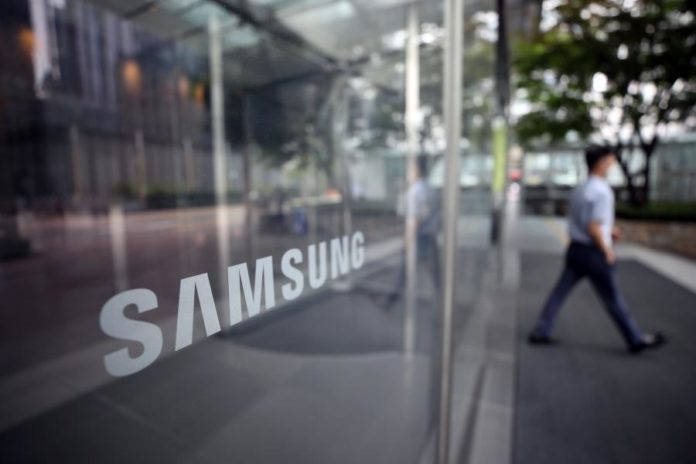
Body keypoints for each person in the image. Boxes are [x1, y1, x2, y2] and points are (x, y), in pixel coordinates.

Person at [528, 145, 667, 354]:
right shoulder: (602, 191)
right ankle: (635, 338)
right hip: (593, 252)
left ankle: (541, 330)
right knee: (613, 298)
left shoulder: (580, 189)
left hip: (576, 249)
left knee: (559, 292)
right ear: (601, 162)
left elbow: (586, 222)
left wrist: (607, 231)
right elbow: (593, 226)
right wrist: (607, 249)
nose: (612, 164)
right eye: (610, 161)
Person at [386, 155, 441, 306]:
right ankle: (441, 298)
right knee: (435, 273)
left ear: (417, 170)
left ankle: (391, 300)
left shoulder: (415, 191)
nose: (407, 172)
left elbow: (414, 220)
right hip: (430, 237)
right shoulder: (430, 188)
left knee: (405, 271)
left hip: (419, 237)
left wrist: (407, 241)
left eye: (409, 168)